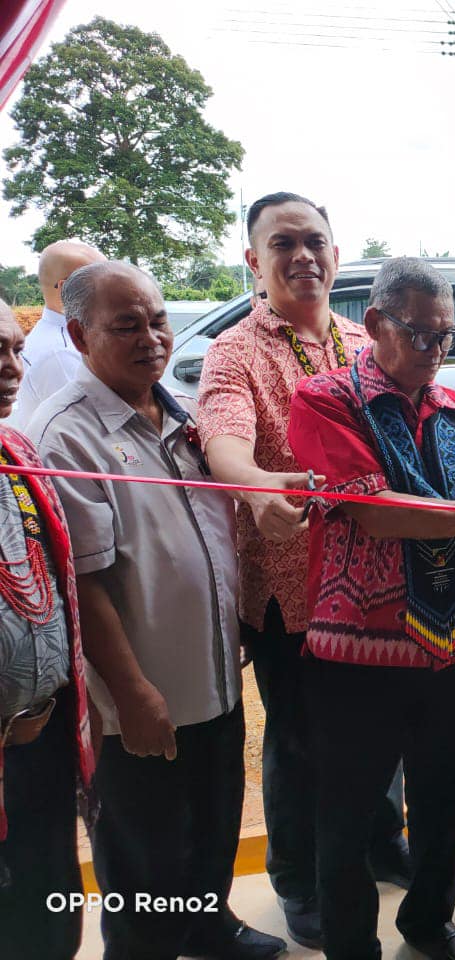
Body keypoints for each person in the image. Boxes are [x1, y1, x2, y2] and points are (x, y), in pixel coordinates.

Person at [288, 258, 455, 960]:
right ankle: (352, 944)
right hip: (356, 651)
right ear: (375, 323)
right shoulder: (325, 399)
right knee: (348, 814)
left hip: (452, 643)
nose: (436, 350)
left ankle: (430, 922)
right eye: (419, 333)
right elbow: (376, 512)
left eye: (446, 336)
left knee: (444, 802)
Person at [29, 262, 284, 960]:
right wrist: (132, 692)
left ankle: (208, 926)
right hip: (139, 700)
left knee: (211, 822)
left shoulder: (180, 413)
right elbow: (86, 583)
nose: (151, 338)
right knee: (144, 856)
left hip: (213, 680)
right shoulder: (65, 438)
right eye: (127, 326)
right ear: (79, 336)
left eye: (158, 320)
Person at [197, 192, 408, 949]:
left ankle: (382, 841)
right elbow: (222, 439)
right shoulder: (233, 353)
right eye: (282, 243)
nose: (302, 256)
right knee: (301, 742)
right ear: (253, 261)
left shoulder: (366, 342)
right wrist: (255, 487)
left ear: (337, 255)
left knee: (381, 723)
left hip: (379, 579)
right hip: (291, 591)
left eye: (315, 240)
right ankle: (300, 879)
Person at [0, 300, 95, 960]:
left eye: (15, 350)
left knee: (49, 910)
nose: (12, 369)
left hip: (41, 742)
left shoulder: (17, 451)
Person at [9, 240, 105, 429]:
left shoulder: (65, 340)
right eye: (102, 282)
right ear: (66, 290)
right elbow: (91, 430)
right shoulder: (60, 354)